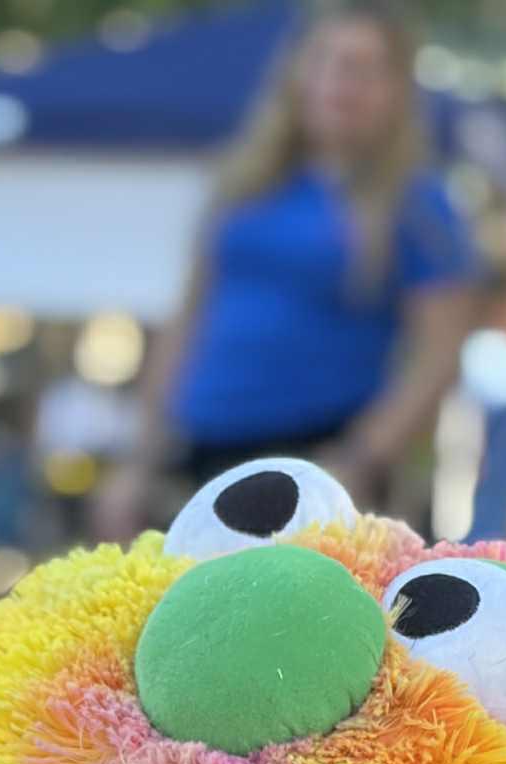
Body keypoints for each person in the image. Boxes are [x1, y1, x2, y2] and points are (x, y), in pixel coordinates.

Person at [93, 3, 478, 538]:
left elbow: (439, 353)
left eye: (363, 68)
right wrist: (139, 458)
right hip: (199, 449)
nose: (341, 83)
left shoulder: (417, 203)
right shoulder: (245, 184)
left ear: (395, 90)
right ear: (298, 73)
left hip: (315, 455)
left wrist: (361, 458)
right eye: (327, 61)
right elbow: (188, 320)